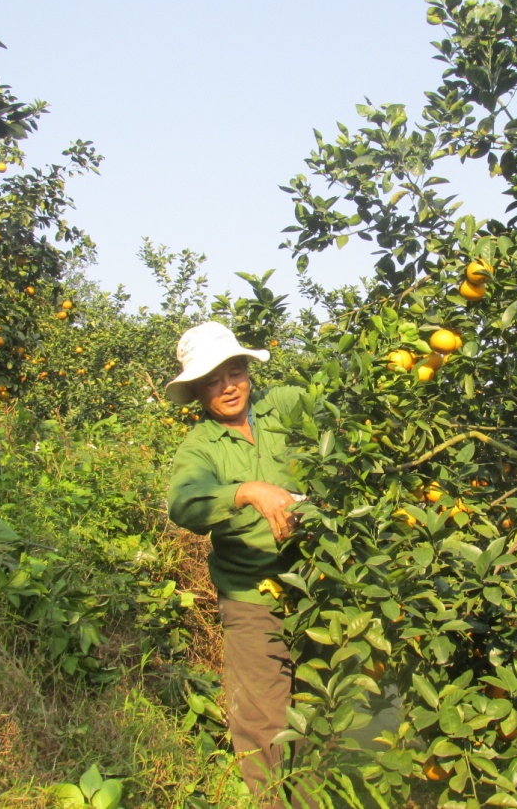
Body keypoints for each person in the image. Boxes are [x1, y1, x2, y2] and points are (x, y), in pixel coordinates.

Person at [163, 321, 309, 808]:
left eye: (235, 372)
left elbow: (343, 400)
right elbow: (184, 504)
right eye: (212, 380)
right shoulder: (199, 448)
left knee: (316, 711)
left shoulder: (285, 409)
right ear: (198, 391)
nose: (227, 386)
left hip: (318, 586)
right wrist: (244, 490)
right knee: (264, 719)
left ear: (248, 372)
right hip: (252, 597)